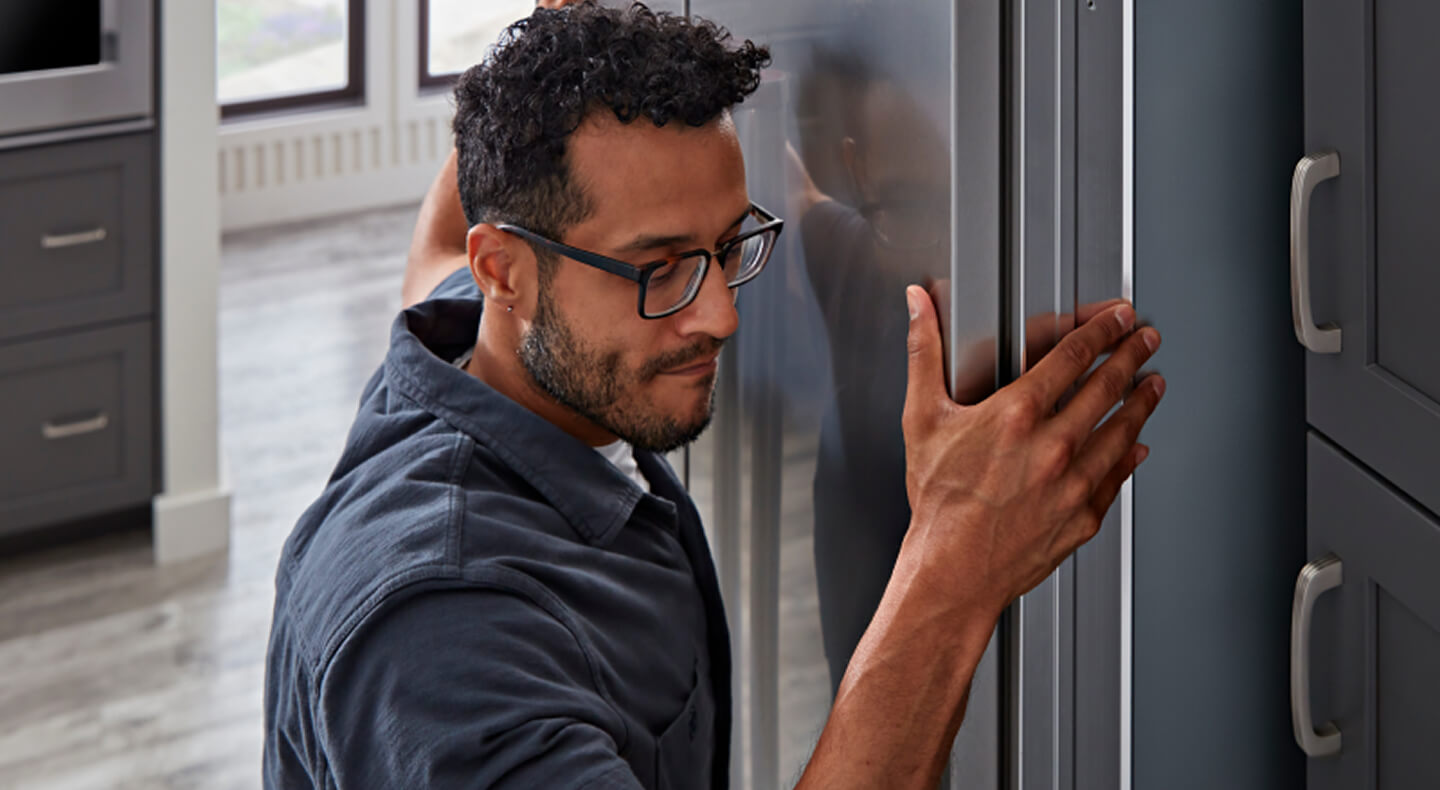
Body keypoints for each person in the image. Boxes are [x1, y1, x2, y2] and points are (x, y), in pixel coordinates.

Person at [264, 4, 1166, 789]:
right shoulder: (444, 639)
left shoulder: (470, 336)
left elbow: (435, 246)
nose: (722, 316)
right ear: (505, 271)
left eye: (729, 248)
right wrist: (955, 574)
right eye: (659, 270)